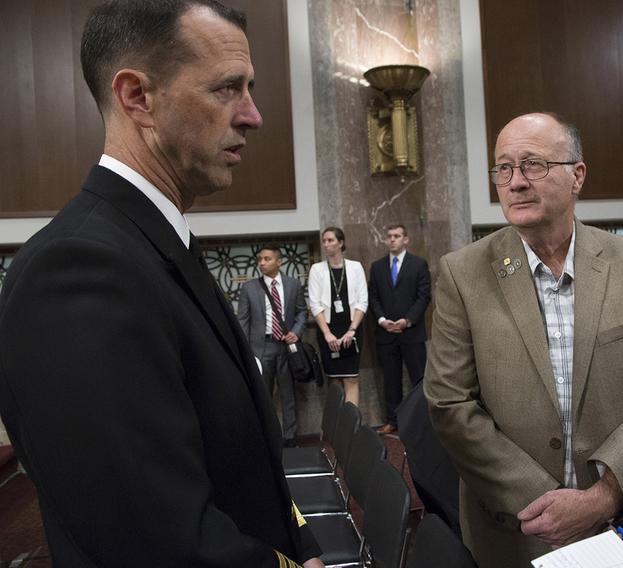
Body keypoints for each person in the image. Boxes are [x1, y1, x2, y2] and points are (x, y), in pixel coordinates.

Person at [0, 1, 324, 566]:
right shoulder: (79, 272)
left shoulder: (156, 243)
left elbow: (246, 462)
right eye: (228, 89)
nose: (253, 115)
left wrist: (304, 546)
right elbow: (160, 541)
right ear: (138, 98)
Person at [424, 112, 623, 567]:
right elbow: (449, 402)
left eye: (533, 164)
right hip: (516, 528)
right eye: (504, 168)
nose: (515, 181)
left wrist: (601, 497)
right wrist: (550, 503)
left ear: (577, 175)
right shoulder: (462, 273)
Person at [238, 244, 307, 447]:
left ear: (279, 261)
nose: (262, 263)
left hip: (286, 347)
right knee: (263, 395)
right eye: (260, 259)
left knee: (288, 394)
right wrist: (246, 351)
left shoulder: (293, 284)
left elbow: (302, 311)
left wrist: (297, 331)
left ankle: (290, 437)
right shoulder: (249, 288)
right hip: (261, 347)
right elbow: (243, 321)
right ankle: (266, 436)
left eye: (267, 259)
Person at [369, 224, 432, 434]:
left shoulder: (418, 264)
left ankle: (422, 420)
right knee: (391, 380)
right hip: (386, 333)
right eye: (389, 236)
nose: (392, 240)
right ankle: (393, 421)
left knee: (418, 379)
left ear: (406, 239)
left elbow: (424, 296)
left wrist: (407, 320)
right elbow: (374, 298)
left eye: (397, 236)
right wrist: (382, 320)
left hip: (411, 333)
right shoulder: (377, 267)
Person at [308, 227, 368, 406]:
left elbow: (362, 301)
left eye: (330, 240)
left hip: (351, 328)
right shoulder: (317, 269)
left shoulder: (355, 267)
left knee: (351, 378)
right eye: (324, 241)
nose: (326, 244)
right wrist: (327, 333)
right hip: (328, 329)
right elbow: (315, 304)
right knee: (334, 381)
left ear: (341, 243)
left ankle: (352, 428)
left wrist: (352, 330)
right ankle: (337, 428)